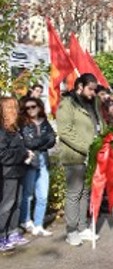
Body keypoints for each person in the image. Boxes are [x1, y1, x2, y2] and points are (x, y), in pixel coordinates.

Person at [56, 74, 103, 246]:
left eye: (95, 89)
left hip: (91, 157)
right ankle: (71, 230)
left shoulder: (92, 103)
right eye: (90, 89)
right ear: (80, 86)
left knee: (85, 193)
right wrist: (87, 147)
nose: (93, 92)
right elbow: (65, 131)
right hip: (74, 156)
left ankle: (82, 228)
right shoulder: (66, 104)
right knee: (74, 194)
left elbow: (98, 125)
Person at [19, 97, 56, 237]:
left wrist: (41, 141)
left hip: (43, 161)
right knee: (28, 194)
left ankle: (39, 224)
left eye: (33, 106)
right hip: (31, 161)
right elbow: (29, 144)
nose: (30, 110)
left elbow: (52, 140)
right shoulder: (23, 124)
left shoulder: (45, 122)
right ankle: (26, 220)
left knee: (43, 195)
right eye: (27, 108)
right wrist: (45, 140)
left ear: (39, 107)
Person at [0, 97, 33, 252]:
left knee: (17, 203)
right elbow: (3, 155)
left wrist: (26, 153)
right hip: (8, 173)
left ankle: (13, 232)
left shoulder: (14, 128)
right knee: (7, 204)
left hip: (19, 170)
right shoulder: (2, 131)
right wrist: (23, 153)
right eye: (11, 107)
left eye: (15, 107)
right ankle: (1, 236)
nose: (15, 110)